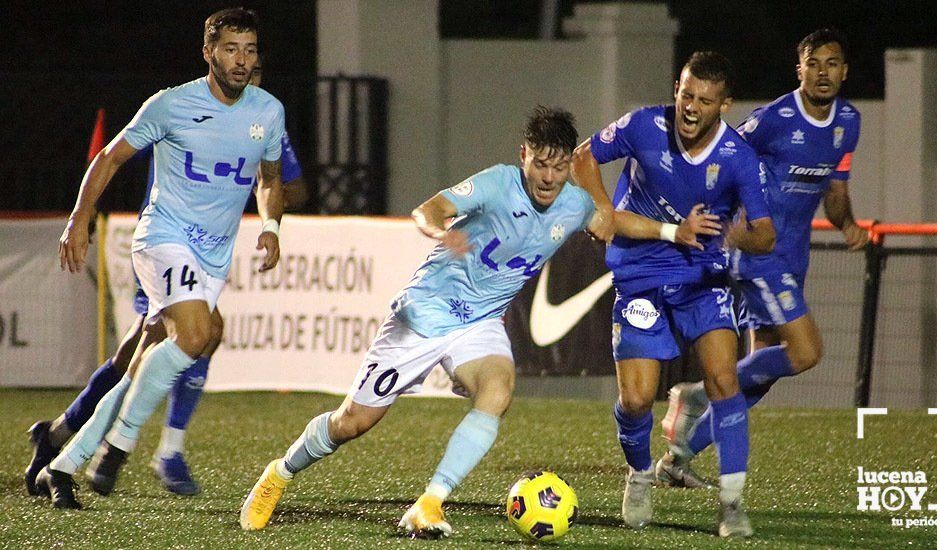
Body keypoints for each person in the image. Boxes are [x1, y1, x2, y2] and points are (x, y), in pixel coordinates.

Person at [239, 106, 606, 537]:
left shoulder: (574, 204)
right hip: (425, 315)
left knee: (497, 390)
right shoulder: (497, 182)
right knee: (351, 423)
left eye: (559, 167)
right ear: (523, 155)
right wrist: (439, 231)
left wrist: (674, 233)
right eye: (540, 164)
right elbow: (428, 210)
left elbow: (614, 223)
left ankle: (429, 502)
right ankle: (279, 473)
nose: (548, 176)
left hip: (480, 322)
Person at [35, 7, 285, 509]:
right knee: (195, 334)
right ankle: (118, 448)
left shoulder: (267, 110)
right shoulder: (171, 105)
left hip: (213, 254)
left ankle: (60, 460)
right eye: (231, 49)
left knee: (169, 350)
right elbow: (108, 158)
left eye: (250, 50)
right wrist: (79, 218)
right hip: (164, 238)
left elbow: (271, 178)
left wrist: (271, 225)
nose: (241, 61)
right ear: (209, 53)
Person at [571, 52, 775, 538]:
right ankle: (640, 472)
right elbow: (582, 156)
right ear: (676, 90)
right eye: (686, 94)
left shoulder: (737, 158)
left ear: (723, 106)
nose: (690, 107)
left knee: (725, 380)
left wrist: (733, 234)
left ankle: (731, 503)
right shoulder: (643, 125)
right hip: (639, 270)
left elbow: (765, 234)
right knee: (637, 399)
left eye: (704, 100)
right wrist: (603, 208)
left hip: (701, 276)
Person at [657, 29, 867, 493]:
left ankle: (678, 457)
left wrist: (848, 223)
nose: (823, 72)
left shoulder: (848, 123)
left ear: (844, 71)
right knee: (807, 352)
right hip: (756, 252)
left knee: (760, 376)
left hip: (793, 259)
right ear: (800, 70)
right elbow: (726, 150)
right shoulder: (773, 119)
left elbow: (835, 192)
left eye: (832, 64)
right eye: (813, 63)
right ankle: (696, 395)